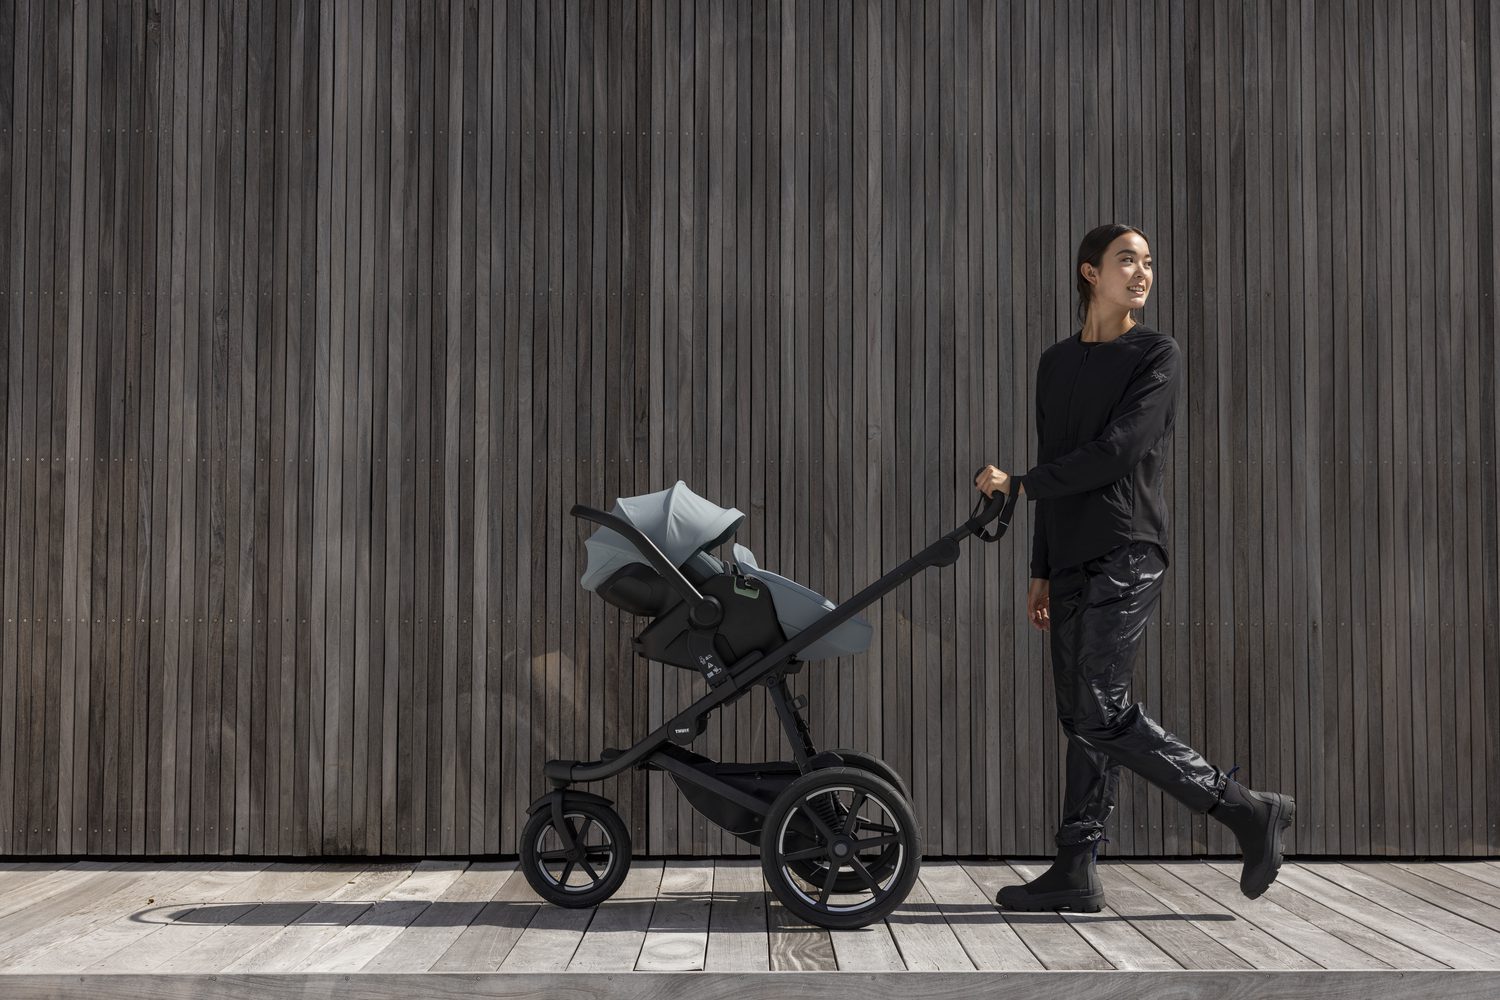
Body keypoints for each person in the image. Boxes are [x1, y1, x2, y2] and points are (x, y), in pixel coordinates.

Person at [974, 223, 1294, 913]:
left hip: (1126, 548)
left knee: (1101, 710)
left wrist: (1021, 484)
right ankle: (1075, 868)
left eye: (1149, 261)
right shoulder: (1055, 363)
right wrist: (1039, 566)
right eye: (1127, 260)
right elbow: (1057, 457)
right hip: (1068, 559)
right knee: (1080, 715)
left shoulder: (1157, 353)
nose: (1142, 272)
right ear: (1090, 272)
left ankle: (1243, 809)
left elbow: (1119, 452)